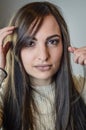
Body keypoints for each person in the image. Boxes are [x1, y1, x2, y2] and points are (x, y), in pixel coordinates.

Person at [0, 1, 86, 130]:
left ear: (64, 44)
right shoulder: (3, 93)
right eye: (30, 43)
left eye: (52, 41)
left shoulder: (81, 87)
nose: (43, 55)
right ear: (15, 49)